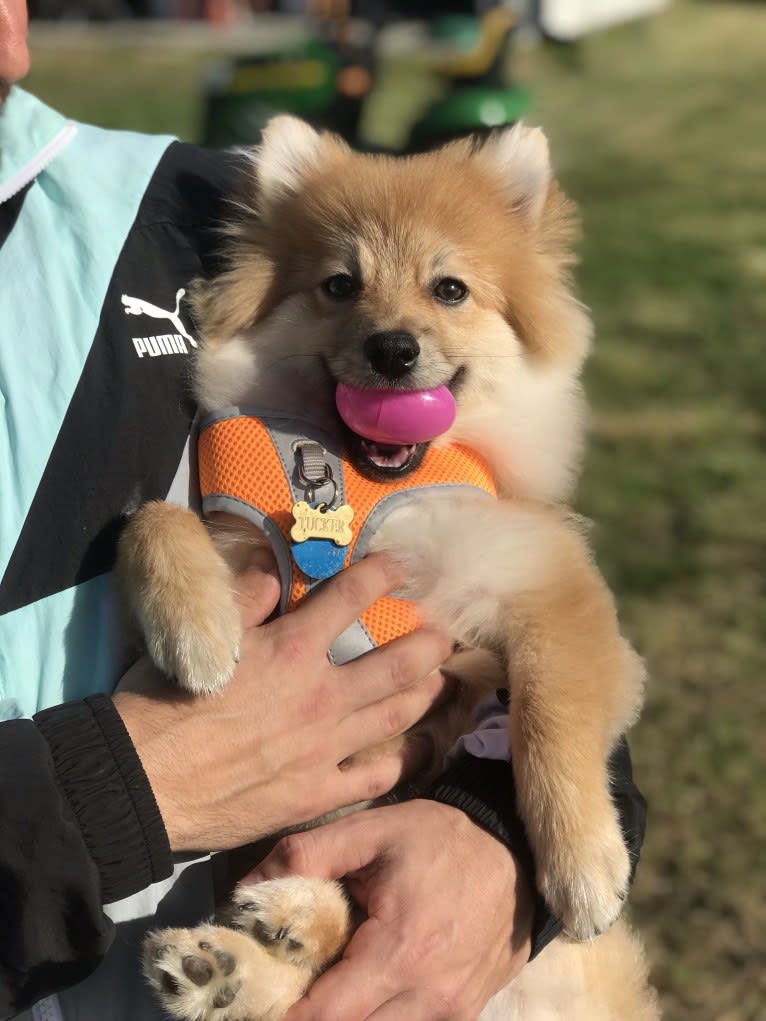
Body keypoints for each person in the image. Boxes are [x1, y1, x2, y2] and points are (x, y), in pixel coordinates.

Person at [0, 4, 647, 1019]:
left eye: (447, 289)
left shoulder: (169, 204)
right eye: (339, 288)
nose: (392, 330)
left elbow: (563, 636)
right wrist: (100, 794)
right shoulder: (245, 441)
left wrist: (509, 830)